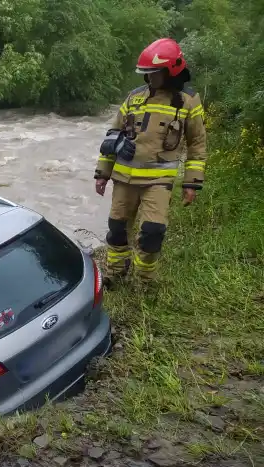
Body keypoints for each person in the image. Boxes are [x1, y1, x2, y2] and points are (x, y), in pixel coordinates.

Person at [94, 38, 207, 286]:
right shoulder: (134, 97)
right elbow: (112, 137)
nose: (150, 78)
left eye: (154, 73)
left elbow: (197, 144)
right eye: (147, 74)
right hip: (124, 179)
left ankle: (144, 281)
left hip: (158, 181)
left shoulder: (188, 101)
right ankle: (115, 273)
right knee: (117, 229)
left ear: (171, 71)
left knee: (152, 232)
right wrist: (102, 174)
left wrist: (192, 183)